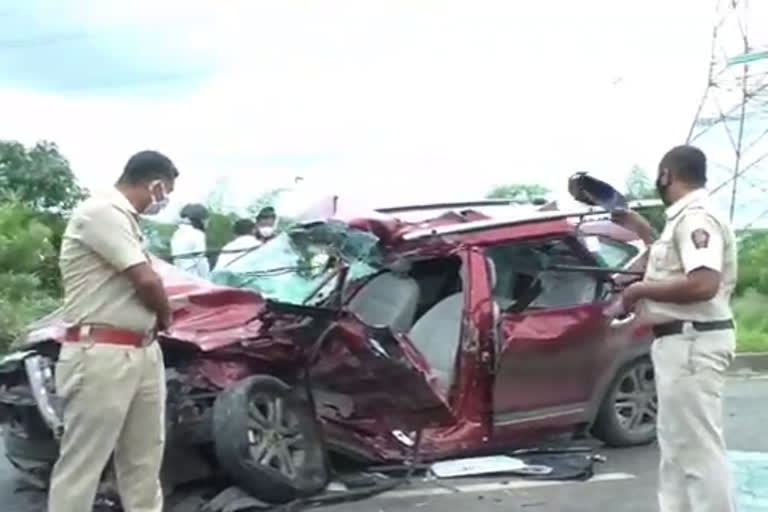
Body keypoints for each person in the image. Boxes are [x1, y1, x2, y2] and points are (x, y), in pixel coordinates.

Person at [607, 145, 737, 512]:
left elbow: (703, 284)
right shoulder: (681, 220)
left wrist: (637, 291)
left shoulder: (697, 219)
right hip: (679, 343)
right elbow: (672, 264)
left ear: (666, 174)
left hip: (693, 341)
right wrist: (643, 231)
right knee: (678, 449)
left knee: (697, 450)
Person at [49, 150, 178, 512]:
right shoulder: (101, 212)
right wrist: (167, 316)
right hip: (101, 352)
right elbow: (145, 280)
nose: (163, 201)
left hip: (140, 350)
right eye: (164, 191)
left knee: (144, 457)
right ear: (153, 185)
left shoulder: (126, 221)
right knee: (83, 462)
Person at [170, 203, 210, 279]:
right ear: (200, 219)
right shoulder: (197, 234)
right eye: (206, 219)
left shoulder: (177, 233)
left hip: (180, 278)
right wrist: (207, 281)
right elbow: (201, 261)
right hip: (194, 278)